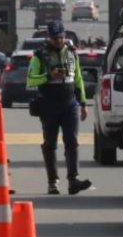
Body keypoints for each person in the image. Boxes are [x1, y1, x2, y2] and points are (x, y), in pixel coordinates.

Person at [26, 20, 92, 195]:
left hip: (70, 103)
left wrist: (83, 103)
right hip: (49, 104)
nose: (58, 40)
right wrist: (49, 75)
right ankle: (53, 182)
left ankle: (73, 180)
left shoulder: (72, 54)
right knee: (50, 143)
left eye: (61, 37)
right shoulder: (39, 56)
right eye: (55, 38)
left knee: (72, 140)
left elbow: (78, 80)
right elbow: (31, 80)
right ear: (49, 37)